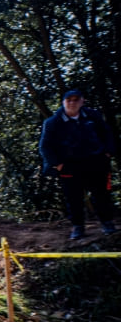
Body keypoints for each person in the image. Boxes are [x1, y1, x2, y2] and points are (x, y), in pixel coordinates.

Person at [38, 89, 117, 239]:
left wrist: (108, 152)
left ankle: (107, 224)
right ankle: (78, 227)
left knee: (101, 195)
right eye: (69, 100)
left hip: (95, 162)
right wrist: (58, 164)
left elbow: (107, 134)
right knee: (73, 198)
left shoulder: (93, 116)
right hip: (69, 165)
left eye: (76, 100)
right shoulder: (53, 122)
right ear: (63, 102)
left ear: (82, 101)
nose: (72, 103)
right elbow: (45, 146)